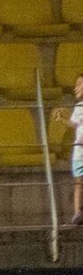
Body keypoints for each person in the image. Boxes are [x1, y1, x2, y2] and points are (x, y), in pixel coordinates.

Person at [51, 74, 83, 226]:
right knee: (78, 181)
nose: (76, 88)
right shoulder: (78, 107)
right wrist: (62, 119)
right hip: (79, 150)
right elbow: (74, 124)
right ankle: (77, 212)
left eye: (79, 84)